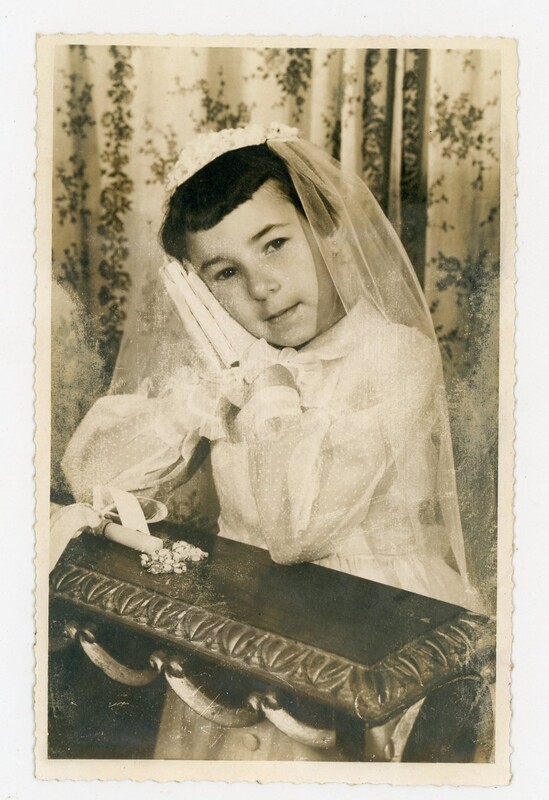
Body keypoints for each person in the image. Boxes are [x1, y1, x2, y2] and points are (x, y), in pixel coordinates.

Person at [61, 123, 481, 761]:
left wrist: (268, 386)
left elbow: (295, 533)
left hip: (372, 636)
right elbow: (95, 479)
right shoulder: (230, 369)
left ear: (326, 228)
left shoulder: (395, 357)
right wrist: (204, 397)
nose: (262, 287)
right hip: (241, 635)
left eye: (276, 244)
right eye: (225, 273)